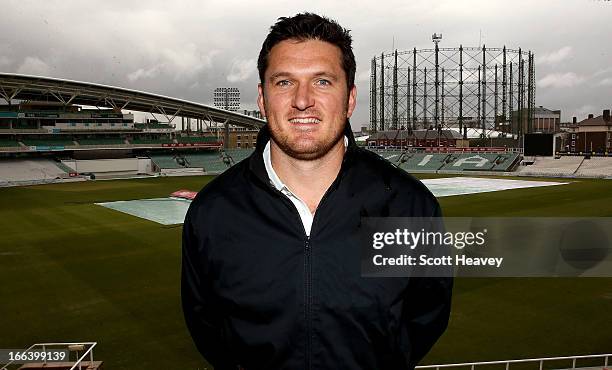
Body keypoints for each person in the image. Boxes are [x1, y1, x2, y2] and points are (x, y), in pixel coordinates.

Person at [182, 12, 452, 370]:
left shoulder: (410, 205)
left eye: (323, 82)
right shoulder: (213, 212)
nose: (303, 100)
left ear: (350, 99)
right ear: (262, 99)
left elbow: (425, 319)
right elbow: (207, 329)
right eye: (284, 83)